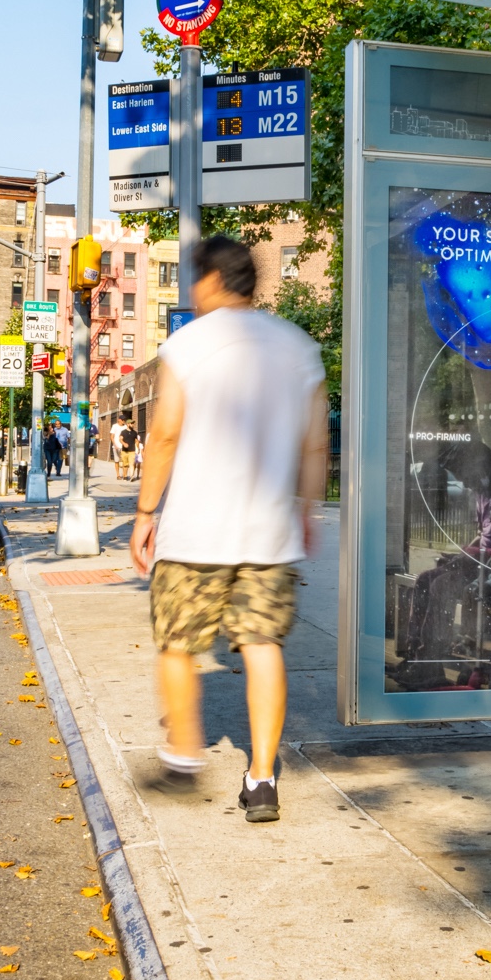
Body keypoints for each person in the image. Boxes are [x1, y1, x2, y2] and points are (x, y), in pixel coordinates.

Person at [130, 235, 329, 824]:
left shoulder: (189, 345)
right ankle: (262, 778)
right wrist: (308, 509)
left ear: (213, 281)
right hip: (267, 532)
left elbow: (164, 435)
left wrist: (145, 514)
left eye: (197, 280)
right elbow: (315, 443)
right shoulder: (299, 347)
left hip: (195, 531)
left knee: (178, 644)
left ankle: (184, 758)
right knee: (263, 646)